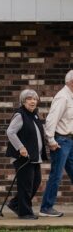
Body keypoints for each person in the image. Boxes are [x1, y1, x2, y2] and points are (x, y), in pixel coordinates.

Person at [5, 89, 47, 220]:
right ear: (23, 101)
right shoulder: (20, 115)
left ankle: (15, 203)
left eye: (34, 99)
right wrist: (21, 147)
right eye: (29, 99)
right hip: (23, 157)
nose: (33, 101)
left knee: (35, 182)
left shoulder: (34, 115)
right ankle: (25, 213)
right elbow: (10, 132)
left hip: (34, 157)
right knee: (26, 184)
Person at [39, 70, 73, 217]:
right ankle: (46, 208)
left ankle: (46, 207)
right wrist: (51, 140)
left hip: (70, 141)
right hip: (61, 141)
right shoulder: (62, 97)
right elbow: (51, 120)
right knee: (56, 175)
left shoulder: (71, 97)